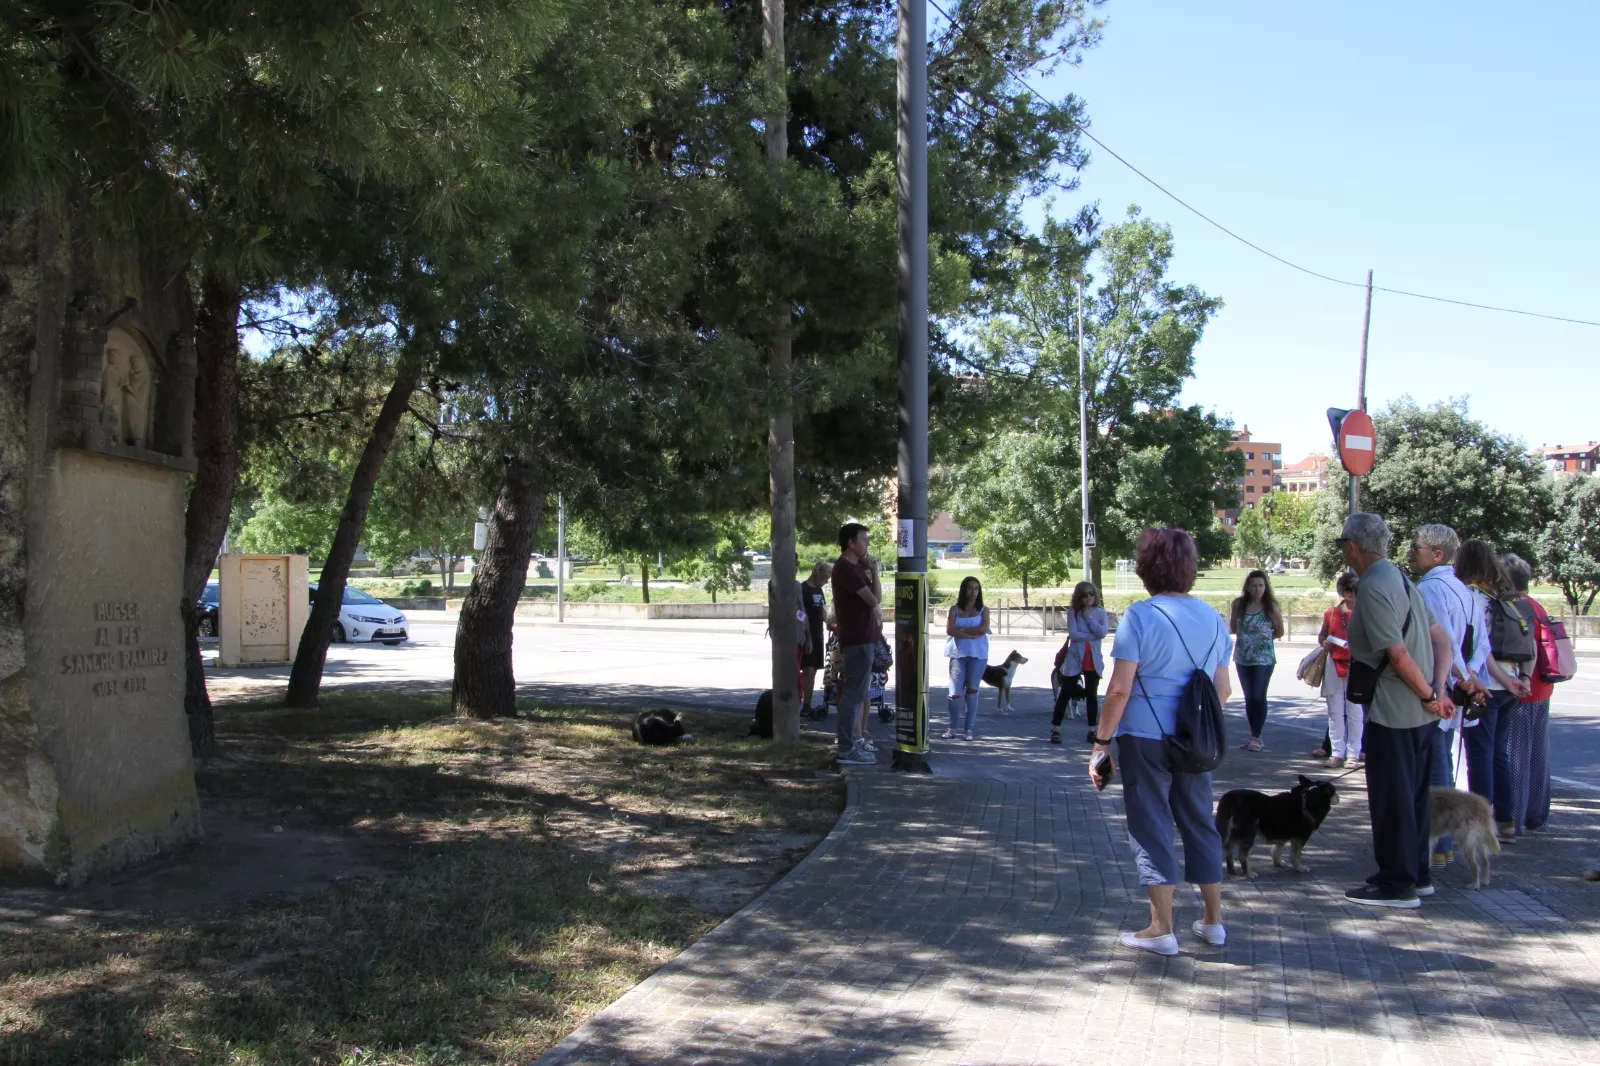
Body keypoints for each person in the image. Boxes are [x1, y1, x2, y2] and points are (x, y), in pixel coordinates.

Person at [1089, 527, 1232, 955]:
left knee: (1151, 825)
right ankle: (1213, 921)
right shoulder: (1214, 618)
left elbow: (1119, 689)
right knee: (1200, 823)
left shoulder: (1140, 616)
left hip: (1144, 739)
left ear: (1147, 567)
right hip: (1194, 742)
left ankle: (1161, 928)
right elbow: (1223, 690)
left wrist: (1101, 743)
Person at [1338, 513, 1456, 908]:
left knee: (1392, 799)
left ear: (1353, 546)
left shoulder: (1373, 586)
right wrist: (1438, 690)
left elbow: (1398, 654)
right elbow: (1441, 638)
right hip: (1420, 714)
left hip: (1394, 711)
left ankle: (1396, 883)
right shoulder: (1402, 578)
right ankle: (1416, 874)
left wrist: (1428, 693)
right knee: (1415, 797)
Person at [1406, 524, 1486, 868]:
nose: (1411, 552)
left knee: (1435, 765)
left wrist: (1458, 679)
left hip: (1440, 687)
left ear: (1437, 554)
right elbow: (1481, 643)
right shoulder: (1464, 589)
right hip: (1456, 686)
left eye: (1416, 547)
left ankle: (1439, 843)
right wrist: (1470, 676)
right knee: (1443, 761)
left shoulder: (1430, 588)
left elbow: (1444, 643)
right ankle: (1443, 843)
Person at [1453, 539, 1531, 838]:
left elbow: (1481, 648)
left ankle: (1481, 821)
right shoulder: (1505, 597)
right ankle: (1505, 819)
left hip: (1487, 684)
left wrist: (1501, 680)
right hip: (1510, 682)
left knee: (1480, 754)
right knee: (1498, 753)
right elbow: (1529, 644)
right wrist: (1519, 679)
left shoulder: (1473, 597)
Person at [1499, 553, 1553, 836]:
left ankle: (1515, 817)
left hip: (1523, 688)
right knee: (1538, 754)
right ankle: (1537, 815)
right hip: (1542, 687)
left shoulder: (1516, 608)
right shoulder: (1537, 607)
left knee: (1516, 755)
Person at [831, 523, 882, 766]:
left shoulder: (856, 567)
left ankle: (852, 743)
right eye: (863, 539)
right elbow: (872, 600)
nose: (867, 543)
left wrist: (874, 571)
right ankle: (846, 748)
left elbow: (877, 598)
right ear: (851, 543)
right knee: (853, 694)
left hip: (864, 637)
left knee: (859, 693)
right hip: (857, 638)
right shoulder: (845, 568)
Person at [1229, 569, 1284, 752]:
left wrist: (1262, 639)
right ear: (1247, 587)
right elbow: (1233, 627)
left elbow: (1279, 631)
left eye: (1261, 585)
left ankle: (1256, 736)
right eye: (1254, 586)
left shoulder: (1270, 606)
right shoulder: (1239, 605)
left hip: (1263, 658)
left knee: (1258, 696)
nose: (1258, 589)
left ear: (1266, 587)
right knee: (1249, 697)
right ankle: (1253, 734)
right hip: (1243, 657)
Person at [1050, 581, 1108, 743]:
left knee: (1091, 695)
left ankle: (1092, 730)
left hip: (1093, 659)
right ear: (1078, 597)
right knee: (1065, 693)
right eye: (1085, 595)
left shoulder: (1100, 612)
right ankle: (1055, 728)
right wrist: (1092, 635)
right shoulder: (1073, 612)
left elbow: (1102, 633)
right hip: (1075, 658)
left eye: (1091, 593)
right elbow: (1074, 635)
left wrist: (1089, 618)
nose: (1089, 597)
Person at [1316, 570, 1362, 768]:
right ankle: (1336, 753)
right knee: (1334, 712)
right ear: (1341, 591)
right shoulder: (1331, 613)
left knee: (1355, 711)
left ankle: (1353, 754)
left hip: (1356, 665)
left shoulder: (1364, 612)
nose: (1352, 593)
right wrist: (1325, 642)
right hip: (1334, 664)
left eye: (1355, 589)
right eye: (1348, 589)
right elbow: (1322, 635)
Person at [942, 577, 990, 740]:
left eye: (976, 588)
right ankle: (951, 728)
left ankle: (968, 729)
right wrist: (969, 634)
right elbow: (950, 630)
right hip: (958, 655)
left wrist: (962, 630)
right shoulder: (954, 609)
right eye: (970, 588)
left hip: (978, 656)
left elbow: (983, 629)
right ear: (963, 590)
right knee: (954, 693)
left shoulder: (984, 610)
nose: (973, 592)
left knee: (972, 691)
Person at [800, 563, 832, 719]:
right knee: (808, 670)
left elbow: (822, 611)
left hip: (818, 635)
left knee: (813, 672)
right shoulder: (802, 589)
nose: (826, 581)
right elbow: (798, 613)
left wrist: (832, 623)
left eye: (828, 579)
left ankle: (807, 704)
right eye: (824, 577)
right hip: (806, 636)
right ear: (816, 573)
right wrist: (806, 633)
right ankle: (802, 704)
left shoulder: (819, 590)